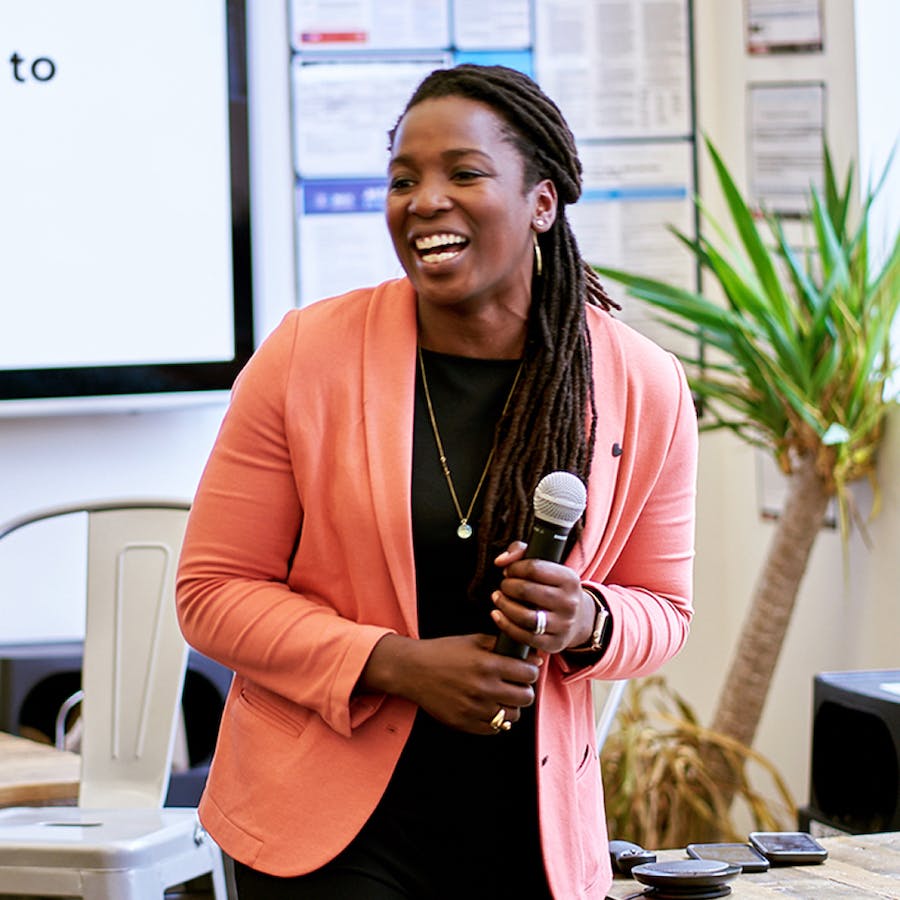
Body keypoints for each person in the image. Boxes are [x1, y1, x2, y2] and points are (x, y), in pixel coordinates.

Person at [176, 63, 698, 899]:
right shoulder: (308, 356)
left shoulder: (641, 384)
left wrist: (587, 618)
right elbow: (212, 593)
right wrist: (394, 663)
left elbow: (664, 610)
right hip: (324, 823)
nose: (424, 201)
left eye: (464, 173)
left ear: (542, 202)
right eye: (402, 180)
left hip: (528, 826)